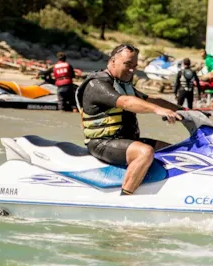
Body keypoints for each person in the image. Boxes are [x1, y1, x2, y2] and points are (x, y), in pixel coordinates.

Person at [75, 43, 183, 196]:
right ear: (112, 61)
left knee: (174, 151)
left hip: (125, 140)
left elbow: (150, 100)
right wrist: (158, 111)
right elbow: (126, 102)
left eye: (134, 65)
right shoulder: (97, 84)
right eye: (127, 64)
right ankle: (126, 197)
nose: (132, 70)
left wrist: (184, 111)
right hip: (103, 143)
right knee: (145, 152)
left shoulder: (122, 85)